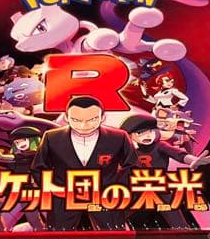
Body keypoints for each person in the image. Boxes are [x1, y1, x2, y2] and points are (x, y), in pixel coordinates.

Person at [30, 96, 137, 230]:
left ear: (102, 117)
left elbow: (132, 165)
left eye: (92, 119)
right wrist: (54, 188)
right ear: (66, 117)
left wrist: (116, 188)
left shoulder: (119, 137)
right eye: (76, 120)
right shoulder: (51, 137)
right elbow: (38, 168)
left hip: (106, 198)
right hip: (64, 199)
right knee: (59, 238)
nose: (83, 126)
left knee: (113, 236)